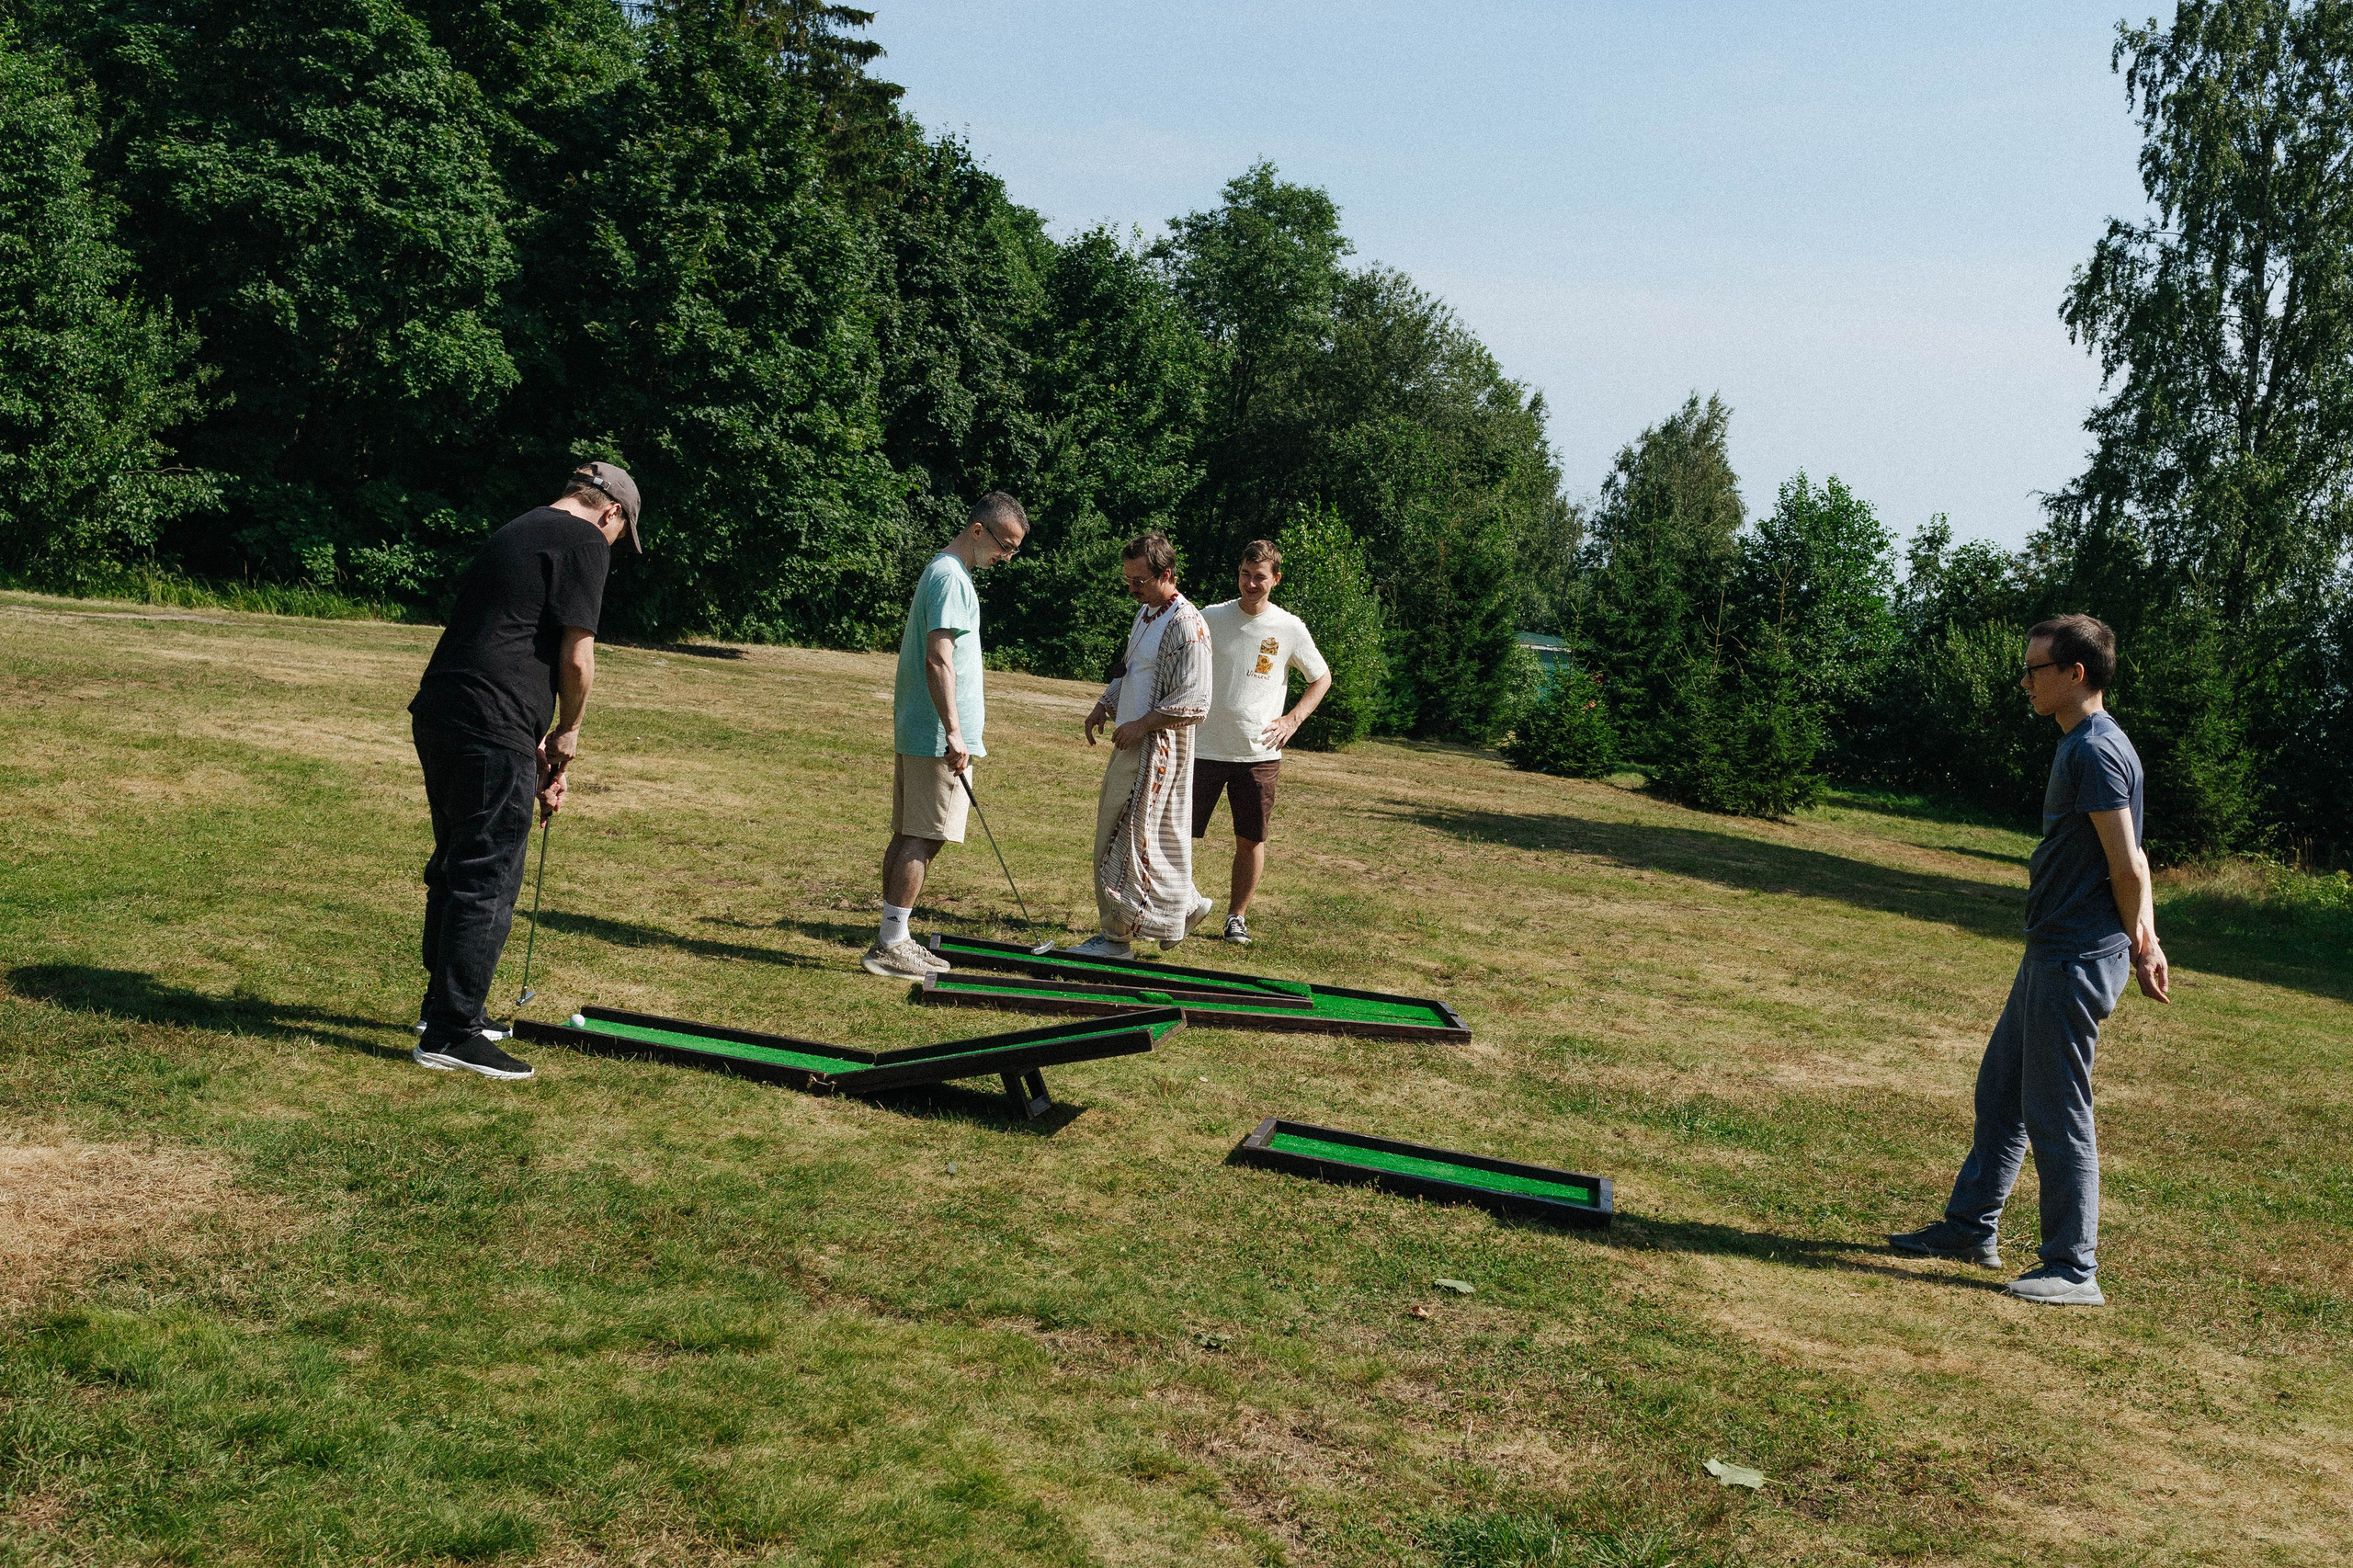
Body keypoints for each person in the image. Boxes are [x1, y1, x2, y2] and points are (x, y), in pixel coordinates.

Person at [1889, 614, 2169, 1305]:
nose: (2025, 681)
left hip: (2075, 956)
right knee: (2002, 1092)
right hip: (2053, 948)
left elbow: (2128, 863)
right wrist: (2146, 939)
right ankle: (1970, 1228)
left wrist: (2143, 942)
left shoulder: (2096, 751)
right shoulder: (2087, 742)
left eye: (2036, 668)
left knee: (2056, 1110)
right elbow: (2135, 858)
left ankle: (2074, 1269)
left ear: (2076, 673)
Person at [406, 461, 643, 1079]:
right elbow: (577, 656)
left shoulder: (517, 529)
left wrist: (531, 742)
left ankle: (443, 1011)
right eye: (622, 534)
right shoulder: (586, 539)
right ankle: (452, 1033)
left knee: (458, 863)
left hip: (445, 709)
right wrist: (567, 732)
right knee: (489, 874)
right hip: (492, 717)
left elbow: (505, 638)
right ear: (612, 512)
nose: (614, 544)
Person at [862, 493, 1029, 979]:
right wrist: (955, 733)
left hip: (926, 730)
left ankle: (893, 936)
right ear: (978, 530)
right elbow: (939, 658)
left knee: (911, 833)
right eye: (1005, 546)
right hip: (938, 735)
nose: (1007, 557)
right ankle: (891, 944)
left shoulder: (946, 573)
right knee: (924, 836)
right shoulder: (951, 577)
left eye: (1014, 550)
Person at [1074, 533, 1214, 958]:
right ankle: (1187, 906)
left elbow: (1195, 701)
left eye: (1140, 580)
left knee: (1122, 841)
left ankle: (1116, 939)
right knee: (1144, 840)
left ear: (1166, 574)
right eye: (1128, 579)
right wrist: (1104, 705)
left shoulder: (1187, 626)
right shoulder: (1147, 612)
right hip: (1131, 742)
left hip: (1157, 750)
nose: (1132, 587)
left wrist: (1140, 726)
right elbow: (1131, 667)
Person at [1191, 540, 1332, 946]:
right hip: (1202, 748)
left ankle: (1236, 918)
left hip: (1259, 754)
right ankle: (1173, 906)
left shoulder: (1289, 627)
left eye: (1260, 577)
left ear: (1276, 579)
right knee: (1178, 835)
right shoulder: (1210, 617)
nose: (1251, 584)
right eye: (1245, 575)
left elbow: (1321, 677)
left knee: (1251, 839)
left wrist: (1293, 719)